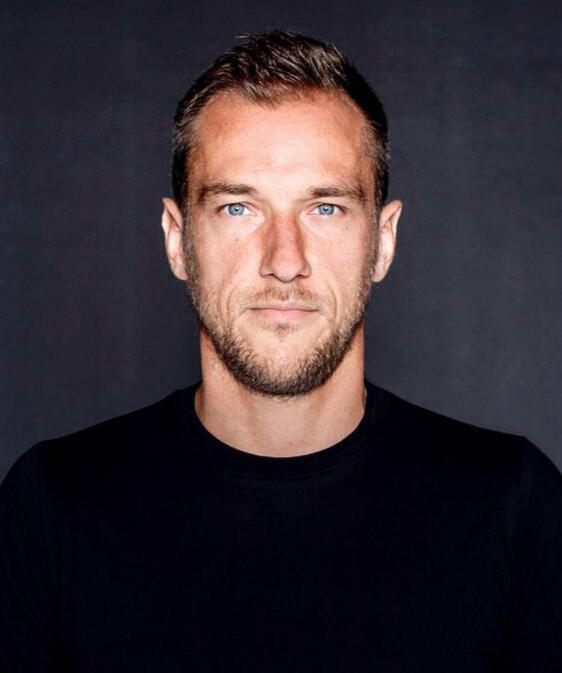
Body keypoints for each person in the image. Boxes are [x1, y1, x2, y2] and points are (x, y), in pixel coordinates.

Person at [1, 30, 560, 672]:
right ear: (177, 240)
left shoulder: (515, 505)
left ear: (383, 241)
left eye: (326, 209)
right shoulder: (53, 504)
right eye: (238, 208)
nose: (285, 261)